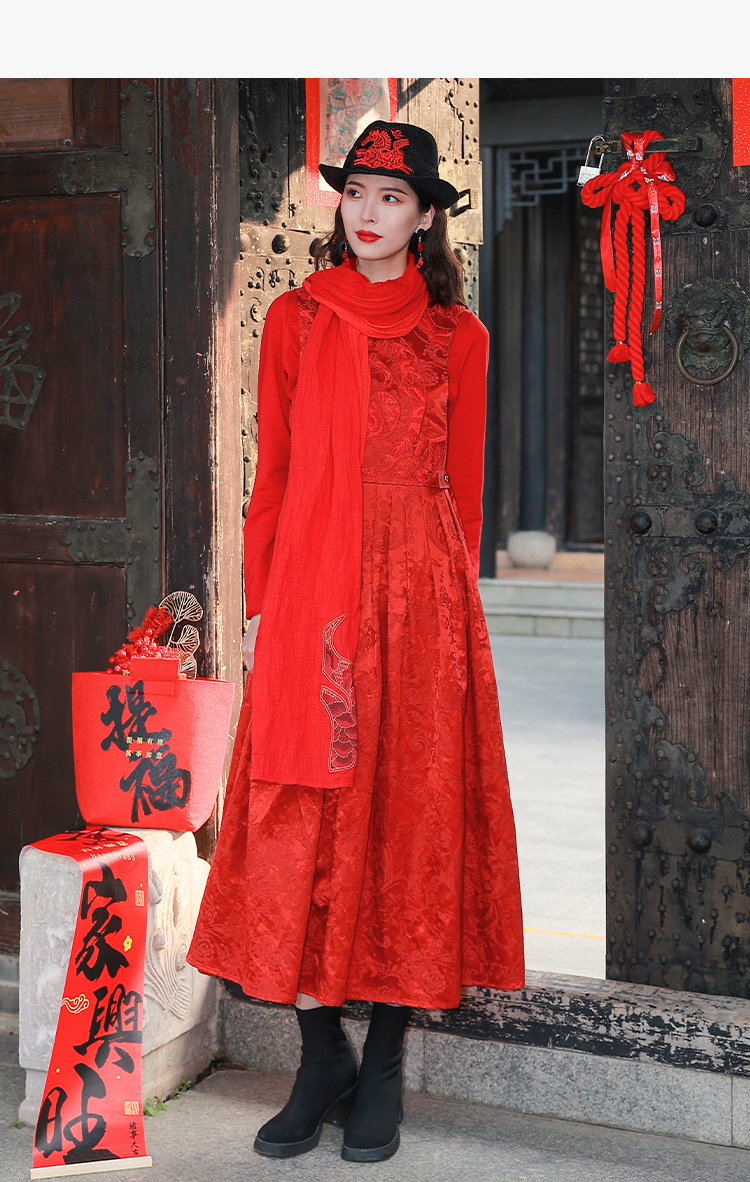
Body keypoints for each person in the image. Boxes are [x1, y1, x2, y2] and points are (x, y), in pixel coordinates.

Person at [187, 120, 524, 1163]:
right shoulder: (294, 318)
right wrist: (267, 602)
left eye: (393, 197)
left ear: (425, 219)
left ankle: (382, 1066)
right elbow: (276, 470)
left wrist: (452, 621)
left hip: (420, 604)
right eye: (358, 193)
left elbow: (463, 489)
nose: (370, 213)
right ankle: (318, 1052)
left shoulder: (458, 336)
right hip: (315, 596)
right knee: (305, 816)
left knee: (408, 820)